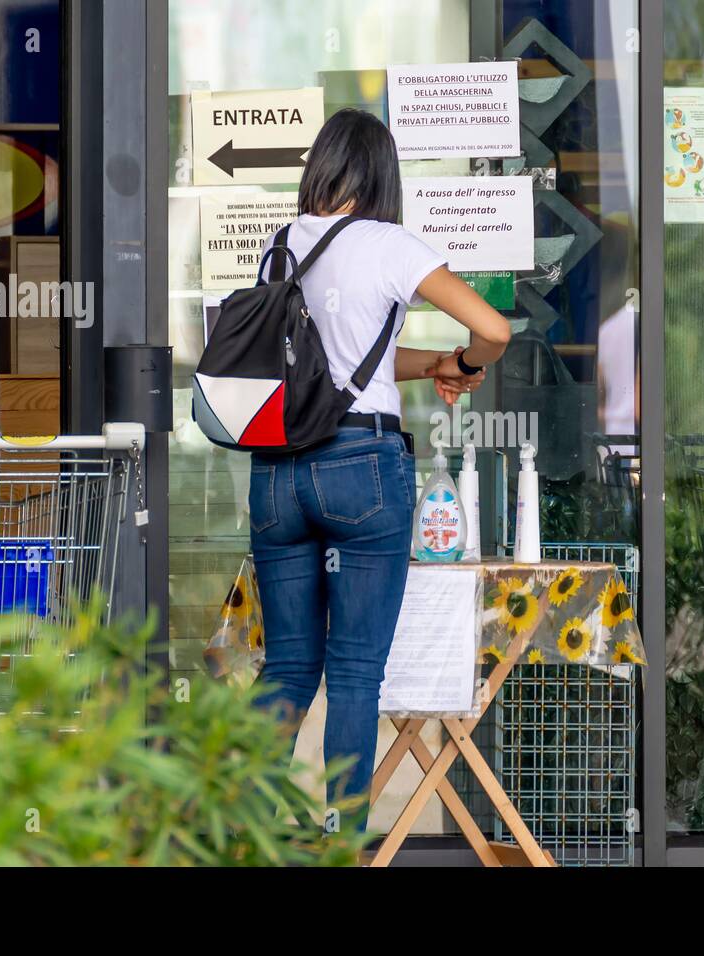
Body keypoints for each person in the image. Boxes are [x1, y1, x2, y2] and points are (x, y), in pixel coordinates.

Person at [248, 108, 511, 829]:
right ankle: (343, 841)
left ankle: (243, 825)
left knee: (288, 669)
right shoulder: (390, 244)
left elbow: (318, 362)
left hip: (276, 474)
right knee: (356, 673)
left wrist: (430, 367)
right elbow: (495, 331)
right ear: (381, 176)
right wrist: (464, 364)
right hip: (360, 469)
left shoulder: (280, 248)